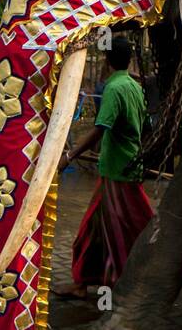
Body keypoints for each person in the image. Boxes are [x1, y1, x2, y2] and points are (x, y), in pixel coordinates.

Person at [54, 35, 152, 298]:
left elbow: (100, 128)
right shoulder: (134, 87)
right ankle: (83, 282)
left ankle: (129, 280)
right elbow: (143, 128)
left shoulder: (114, 88)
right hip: (125, 166)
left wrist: (70, 156)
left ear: (107, 60)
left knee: (133, 227)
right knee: (94, 228)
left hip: (117, 172)